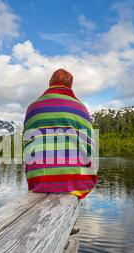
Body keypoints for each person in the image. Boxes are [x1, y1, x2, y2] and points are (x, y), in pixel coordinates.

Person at [23, 69, 98, 199]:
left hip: (38, 179)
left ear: (50, 83)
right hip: (76, 180)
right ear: (70, 86)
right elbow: (90, 147)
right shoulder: (81, 108)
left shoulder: (32, 107)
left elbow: (26, 142)